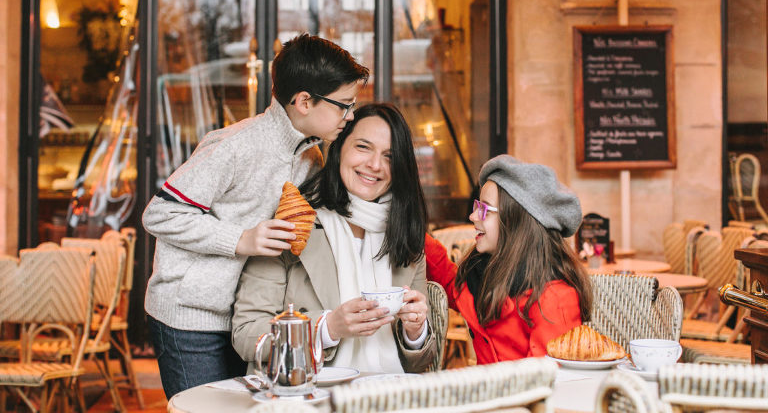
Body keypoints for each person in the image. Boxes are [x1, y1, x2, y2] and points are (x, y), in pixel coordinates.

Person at [142, 34, 369, 398]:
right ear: (304, 101)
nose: (350, 115)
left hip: (246, 319)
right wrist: (241, 238)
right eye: (343, 104)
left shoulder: (311, 158)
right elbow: (160, 213)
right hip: (190, 317)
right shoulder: (233, 145)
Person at [232, 103, 436, 374]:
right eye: (363, 147)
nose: (375, 165)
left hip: (386, 396)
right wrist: (328, 328)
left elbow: (422, 361)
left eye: (389, 156)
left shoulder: (405, 238)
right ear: (339, 150)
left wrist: (416, 331)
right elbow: (246, 335)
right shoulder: (294, 225)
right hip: (306, 393)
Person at [425, 155, 592, 364]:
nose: (473, 216)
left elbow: (545, 379)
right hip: (492, 393)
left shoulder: (553, 299)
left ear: (517, 223)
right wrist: (411, 233)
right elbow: (451, 282)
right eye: (477, 206)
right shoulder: (483, 276)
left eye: (484, 209)